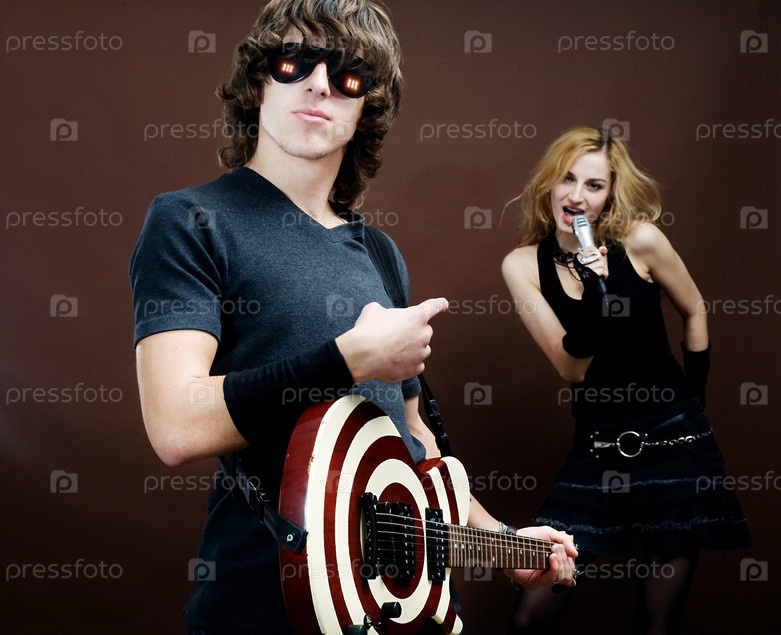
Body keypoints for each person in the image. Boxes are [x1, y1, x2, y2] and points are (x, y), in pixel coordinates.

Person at [129, 2, 577, 633]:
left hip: (392, 616)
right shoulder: (190, 221)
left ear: (368, 106)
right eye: (294, 62)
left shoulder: (379, 254)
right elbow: (176, 425)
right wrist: (349, 360)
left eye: (348, 74)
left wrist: (502, 542)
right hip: (263, 610)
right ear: (258, 82)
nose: (319, 84)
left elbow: (415, 445)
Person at [501, 125, 751, 634]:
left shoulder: (641, 240)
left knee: (656, 624)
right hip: (596, 451)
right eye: (567, 178)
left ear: (610, 194)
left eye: (594, 185)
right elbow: (571, 366)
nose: (576, 196)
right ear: (548, 182)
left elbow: (695, 309)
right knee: (531, 617)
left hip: (675, 443)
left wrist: (694, 401)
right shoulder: (523, 265)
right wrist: (598, 291)